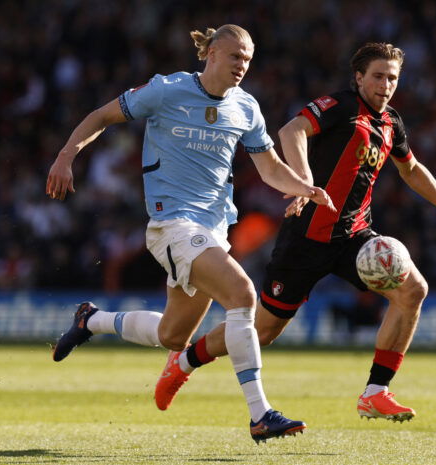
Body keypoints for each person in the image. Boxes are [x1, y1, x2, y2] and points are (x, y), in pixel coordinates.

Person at [156, 42, 436, 422]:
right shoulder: (341, 106)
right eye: (378, 76)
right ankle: (183, 361)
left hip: (353, 237)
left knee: (413, 290)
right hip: (306, 239)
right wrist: (304, 181)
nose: (385, 84)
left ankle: (375, 391)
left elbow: (411, 170)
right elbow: (292, 130)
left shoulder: (391, 122)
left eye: (392, 78)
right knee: (261, 332)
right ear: (359, 77)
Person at [46, 24, 332, 443]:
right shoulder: (166, 90)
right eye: (235, 56)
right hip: (172, 225)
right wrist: (66, 154)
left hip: (213, 229)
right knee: (243, 296)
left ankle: (92, 319)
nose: (242, 66)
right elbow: (102, 116)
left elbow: (269, 167)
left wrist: (303, 187)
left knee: (173, 336)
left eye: (248, 59)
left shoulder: (246, 108)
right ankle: (260, 413)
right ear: (211, 53)